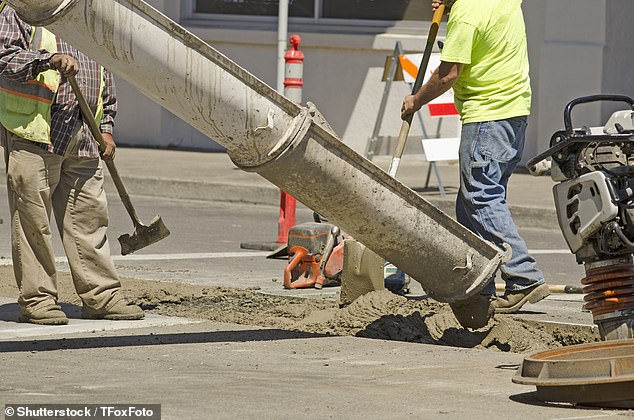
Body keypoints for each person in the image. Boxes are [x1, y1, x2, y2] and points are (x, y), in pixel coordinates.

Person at [401, 0, 549, 327]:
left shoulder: (466, 16)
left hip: (486, 118)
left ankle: (523, 277)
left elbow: (447, 75)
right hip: (514, 114)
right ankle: (475, 284)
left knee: (481, 197)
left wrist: (416, 100)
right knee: (469, 207)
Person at [0, 4, 144, 325]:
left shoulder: (86, 16)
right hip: (36, 130)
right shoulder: (21, 9)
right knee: (33, 221)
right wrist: (46, 61)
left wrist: (106, 126)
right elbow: (3, 57)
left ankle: (102, 295)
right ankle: (38, 300)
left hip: (83, 131)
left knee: (90, 218)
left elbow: (103, 72)